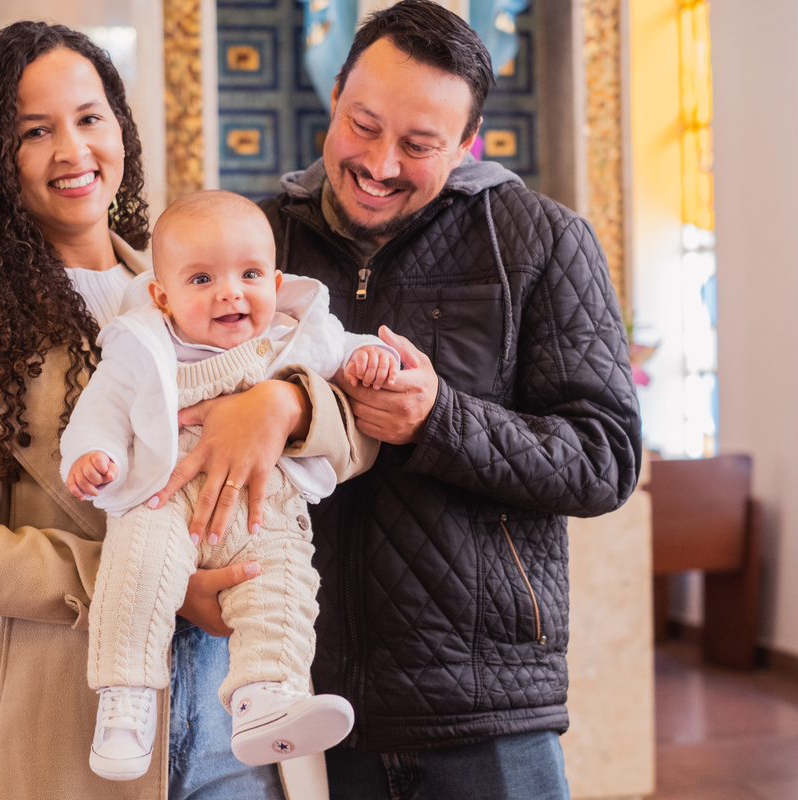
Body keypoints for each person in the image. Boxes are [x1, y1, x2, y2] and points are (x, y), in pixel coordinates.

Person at [0, 22, 371, 800]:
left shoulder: (195, 282)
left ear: (120, 126)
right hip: (65, 727)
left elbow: (349, 427)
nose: (72, 150)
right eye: (35, 131)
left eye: (89, 117)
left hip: (231, 726)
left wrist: (285, 405)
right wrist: (156, 580)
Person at [256, 1, 643, 797]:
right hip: (305, 696)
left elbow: (605, 458)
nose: (381, 163)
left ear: (467, 143)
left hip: (487, 708)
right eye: (364, 126)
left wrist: (441, 420)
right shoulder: (259, 244)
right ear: (335, 97)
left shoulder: (540, 241)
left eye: (418, 145)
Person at [60, 190, 398, 780]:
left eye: (249, 274)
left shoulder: (294, 335)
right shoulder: (146, 345)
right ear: (162, 295)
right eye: (202, 279)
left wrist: (368, 357)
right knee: (136, 567)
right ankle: (126, 699)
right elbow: (103, 409)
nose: (231, 292)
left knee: (284, 583)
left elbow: (345, 356)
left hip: (259, 509)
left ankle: (264, 697)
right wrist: (96, 454)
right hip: (165, 498)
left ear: (275, 277)